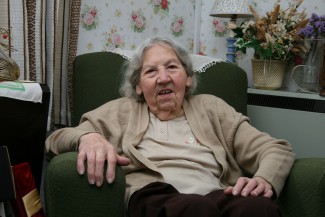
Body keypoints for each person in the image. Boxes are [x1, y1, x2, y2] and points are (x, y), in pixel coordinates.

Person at [45, 36, 295, 217]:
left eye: (172, 67)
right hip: (154, 196)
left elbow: (276, 149)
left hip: (217, 195)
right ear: (139, 86)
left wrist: (265, 178)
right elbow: (56, 139)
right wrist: (89, 138)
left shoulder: (212, 108)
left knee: (258, 208)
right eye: (151, 71)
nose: (163, 77)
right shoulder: (122, 110)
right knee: (195, 208)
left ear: (187, 78)